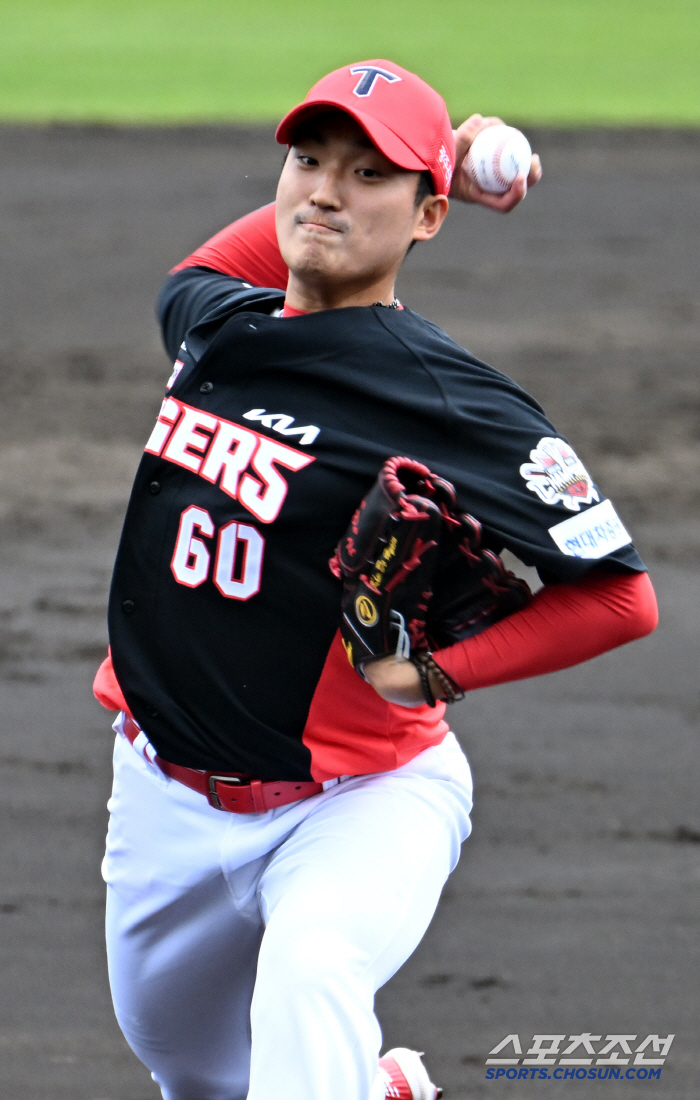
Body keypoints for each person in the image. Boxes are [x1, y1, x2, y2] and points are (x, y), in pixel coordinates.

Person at [93, 60, 658, 1100]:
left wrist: (439, 671)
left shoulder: (443, 393)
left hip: (356, 798)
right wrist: (417, 182)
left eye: (368, 174)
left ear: (424, 214)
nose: (323, 191)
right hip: (161, 793)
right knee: (197, 1072)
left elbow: (621, 596)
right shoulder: (218, 323)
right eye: (308, 161)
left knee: (311, 982)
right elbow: (237, 252)